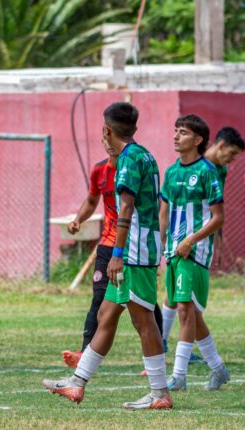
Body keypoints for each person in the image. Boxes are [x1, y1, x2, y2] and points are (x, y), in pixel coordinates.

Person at [43, 102, 172, 410]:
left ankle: (160, 393)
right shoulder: (146, 155)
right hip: (139, 247)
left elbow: (126, 208)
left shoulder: (127, 159)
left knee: (143, 320)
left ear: (107, 130)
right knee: (106, 314)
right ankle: (77, 383)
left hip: (133, 251)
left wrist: (118, 254)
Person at [61, 139, 164, 368]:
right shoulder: (99, 170)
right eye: (105, 139)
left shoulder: (134, 164)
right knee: (101, 303)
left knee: (143, 309)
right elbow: (91, 200)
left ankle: (159, 354)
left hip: (132, 247)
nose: (109, 144)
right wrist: (78, 219)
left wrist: (148, 251)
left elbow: (140, 207)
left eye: (111, 137)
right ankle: (83, 357)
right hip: (109, 245)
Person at [160, 126, 243, 358]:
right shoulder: (190, 166)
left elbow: (216, 211)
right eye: (232, 153)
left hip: (198, 243)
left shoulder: (218, 171)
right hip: (181, 241)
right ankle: (164, 344)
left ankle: (180, 350)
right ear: (221, 145)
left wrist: (217, 241)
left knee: (187, 303)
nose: (232, 160)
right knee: (179, 298)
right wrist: (165, 239)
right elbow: (168, 206)